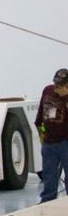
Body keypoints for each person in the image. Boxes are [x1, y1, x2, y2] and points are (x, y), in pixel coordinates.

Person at [35, 67, 68, 203]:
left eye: (60, 86)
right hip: (49, 142)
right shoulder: (48, 91)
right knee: (49, 175)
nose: (56, 88)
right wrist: (41, 133)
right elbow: (41, 116)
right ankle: (47, 202)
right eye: (55, 84)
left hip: (65, 142)